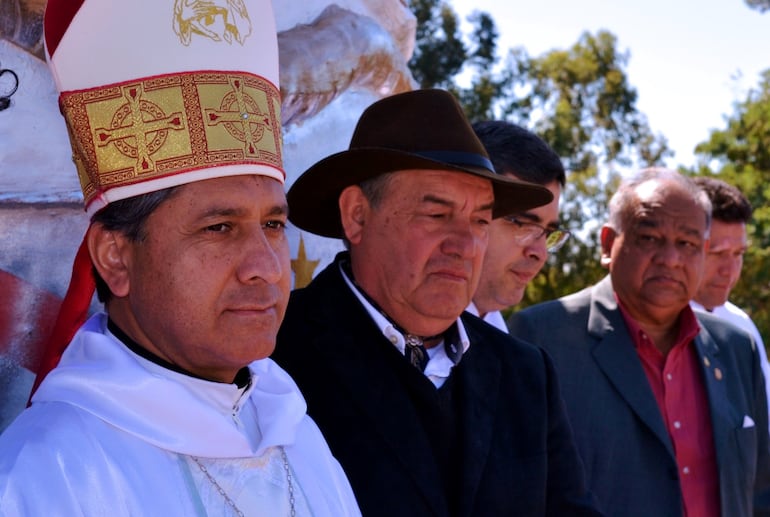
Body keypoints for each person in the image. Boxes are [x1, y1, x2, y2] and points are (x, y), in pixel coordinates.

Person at [0, 1, 360, 515]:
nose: (267, 266)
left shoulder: (294, 428)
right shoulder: (49, 474)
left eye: (273, 225)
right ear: (115, 257)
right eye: (219, 228)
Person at [271, 88, 602, 516]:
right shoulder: (273, 354)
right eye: (436, 214)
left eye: (481, 220)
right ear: (356, 214)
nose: (465, 244)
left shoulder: (525, 373)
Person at [509, 167, 770, 517]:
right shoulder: (542, 338)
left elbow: (759, 491)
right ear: (607, 244)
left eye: (687, 244)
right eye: (649, 238)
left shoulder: (737, 347)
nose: (670, 259)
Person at [466, 120, 570, 331]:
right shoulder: (394, 334)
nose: (540, 253)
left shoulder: (512, 353)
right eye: (522, 224)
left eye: (549, 232)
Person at [691, 176, 770, 412]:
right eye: (717, 253)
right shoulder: (648, 326)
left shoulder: (742, 326)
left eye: (738, 254)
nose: (730, 270)